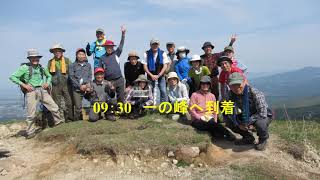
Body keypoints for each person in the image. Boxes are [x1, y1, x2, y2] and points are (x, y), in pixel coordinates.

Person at [9, 49, 63, 138]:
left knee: (54, 107)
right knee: (31, 114)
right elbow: (12, 77)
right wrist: (24, 85)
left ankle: (58, 123)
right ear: (29, 59)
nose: (35, 59)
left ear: (39, 58)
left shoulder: (41, 67)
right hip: (31, 92)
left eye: (37, 58)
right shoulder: (24, 68)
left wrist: (47, 83)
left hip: (42, 90)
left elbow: (49, 76)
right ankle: (30, 132)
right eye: (33, 58)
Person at [224, 72, 272, 151]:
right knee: (229, 121)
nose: (236, 88)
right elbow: (229, 112)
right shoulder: (229, 95)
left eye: (238, 84)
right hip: (244, 116)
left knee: (261, 123)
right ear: (229, 86)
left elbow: (263, 112)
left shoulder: (254, 92)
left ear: (243, 83)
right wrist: (238, 123)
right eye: (233, 85)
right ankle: (248, 137)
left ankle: (263, 139)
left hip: (259, 115)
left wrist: (249, 123)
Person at [189, 76, 235, 140]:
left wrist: (215, 120)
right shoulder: (194, 95)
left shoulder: (212, 96)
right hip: (197, 120)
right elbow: (192, 110)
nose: (205, 85)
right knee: (212, 125)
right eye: (203, 83)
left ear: (210, 85)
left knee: (212, 124)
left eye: (207, 84)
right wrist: (199, 118)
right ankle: (227, 134)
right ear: (200, 84)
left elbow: (215, 110)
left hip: (210, 119)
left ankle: (218, 134)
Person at [99, 26, 126, 103]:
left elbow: (121, 45)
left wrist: (123, 35)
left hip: (120, 79)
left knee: (121, 98)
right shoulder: (102, 58)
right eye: (107, 47)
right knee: (109, 98)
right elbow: (100, 71)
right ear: (105, 47)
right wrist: (105, 82)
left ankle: (122, 114)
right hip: (109, 81)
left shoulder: (116, 53)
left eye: (110, 47)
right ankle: (110, 114)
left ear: (112, 47)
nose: (109, 48)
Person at [48, 43, 74, 122]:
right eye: (55, 51)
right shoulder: (50, 62)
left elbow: (72, 72)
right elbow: (48, 74)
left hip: (66, 84)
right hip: (55, 85)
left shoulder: (67, 60)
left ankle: (70, 118)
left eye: (59, 51)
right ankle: (59, 120)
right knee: (56, 103)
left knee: (69, 102)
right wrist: (48, 84)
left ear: (62, 52)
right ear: (53, 52)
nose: (57, 53)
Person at [142, 38, 169, 103]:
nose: (155, 46)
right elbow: (145, 66)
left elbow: (165, 65)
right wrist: (151, 75)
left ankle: (164, 107)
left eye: (156, 44)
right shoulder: (146, 53)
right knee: (150, 91)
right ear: (150, 45)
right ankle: (149, 107)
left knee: (163, 91)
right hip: (150, 75)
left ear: (158, 45)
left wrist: (159, 75)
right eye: (153, 44)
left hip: (161, 75)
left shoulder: (163, 53)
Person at [69, 48, 92, 121]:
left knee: (93, 103)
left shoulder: (88, 65)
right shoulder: (72, 65)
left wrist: (88, 85)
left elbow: (90, 76)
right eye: (79, 54)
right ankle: (77, 121)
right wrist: (80, 86)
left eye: (83, 54)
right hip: (77, 89)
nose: (81, 56)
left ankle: (96, 116)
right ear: (76, 55)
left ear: (85, 56)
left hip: (87, 88)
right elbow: (71, 77)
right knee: (78, 108)